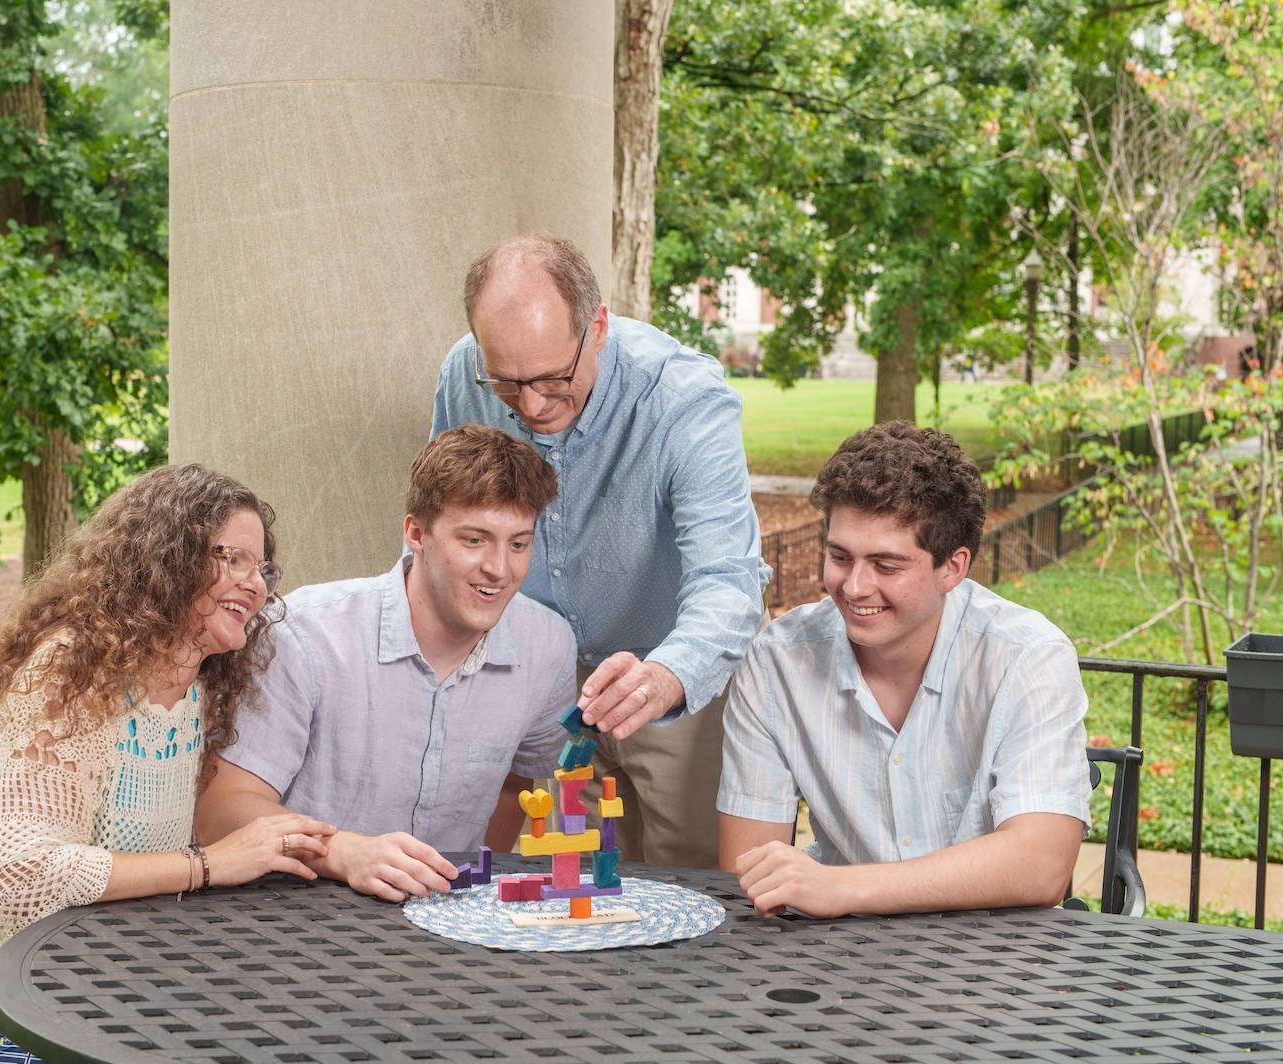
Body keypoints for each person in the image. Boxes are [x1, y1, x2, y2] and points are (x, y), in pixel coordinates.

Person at [0, 465, 334, 1064]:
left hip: (48, 968)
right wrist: (209, 865)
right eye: (232, 558)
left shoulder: (198, 694)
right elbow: (25, 876)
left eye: (262, 568)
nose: (256, 584)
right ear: (166, 559)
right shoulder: (73, 669)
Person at [430, 232, 770, 869]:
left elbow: (729, 579)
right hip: (543, 682)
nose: (531, 406)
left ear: (599, 327)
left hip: (675, 674)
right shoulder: (464, 372)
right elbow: (445, 519)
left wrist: (665, 679)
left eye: (554, 378)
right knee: (567, 887)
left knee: (687, 882)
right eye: (507, 382)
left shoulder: (682, 399)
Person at [717, 422, 1091, 917]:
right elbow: (746, 870)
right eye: (839, 556)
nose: (854, 586)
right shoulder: (775, 663)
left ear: (953, 567)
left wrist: (844, 888)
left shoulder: (1027, 656)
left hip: (998, 960)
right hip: (839, 959)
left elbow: (1041, 865)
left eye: (886, 566)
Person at [197, 424, 577, 902]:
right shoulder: (304, 633)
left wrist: (459, 894)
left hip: (449, 921)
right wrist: (345, 852)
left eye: (518, 544)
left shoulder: (549, 646)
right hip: (294, 907)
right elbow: (220, 808)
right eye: (475, 540)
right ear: (416, 533)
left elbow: (515, 786)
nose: (499, 569)